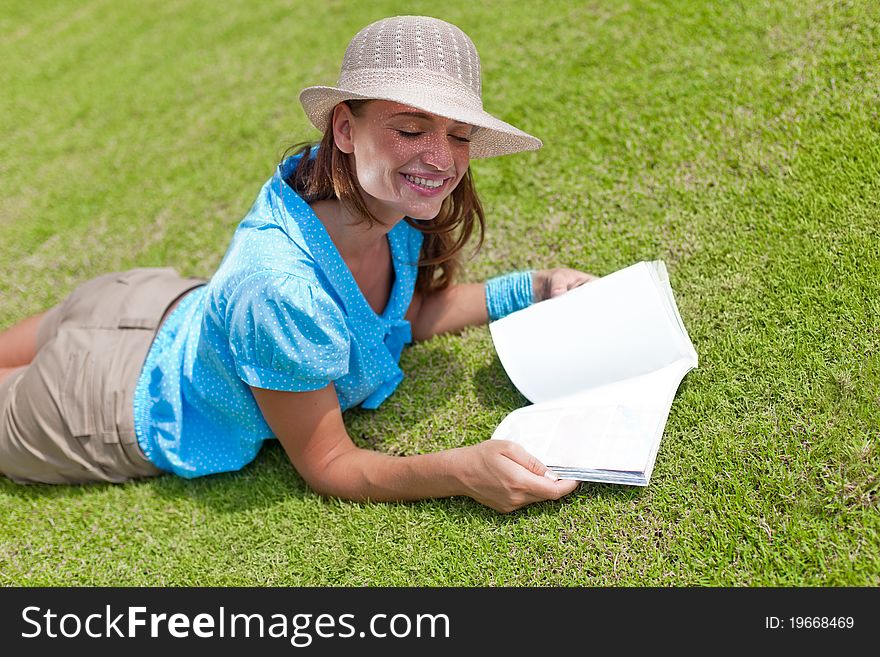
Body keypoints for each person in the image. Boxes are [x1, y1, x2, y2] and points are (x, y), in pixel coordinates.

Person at [0, 15, 595, 513]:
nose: (440, 157)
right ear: (344, 127)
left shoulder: (374, 197)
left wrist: (537, 288)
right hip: (96, 402)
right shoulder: (283, 293)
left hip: (146, 303)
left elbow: (397, 311)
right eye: (411, 128)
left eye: (459, 134)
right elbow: (331, 464)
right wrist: (461, 472)